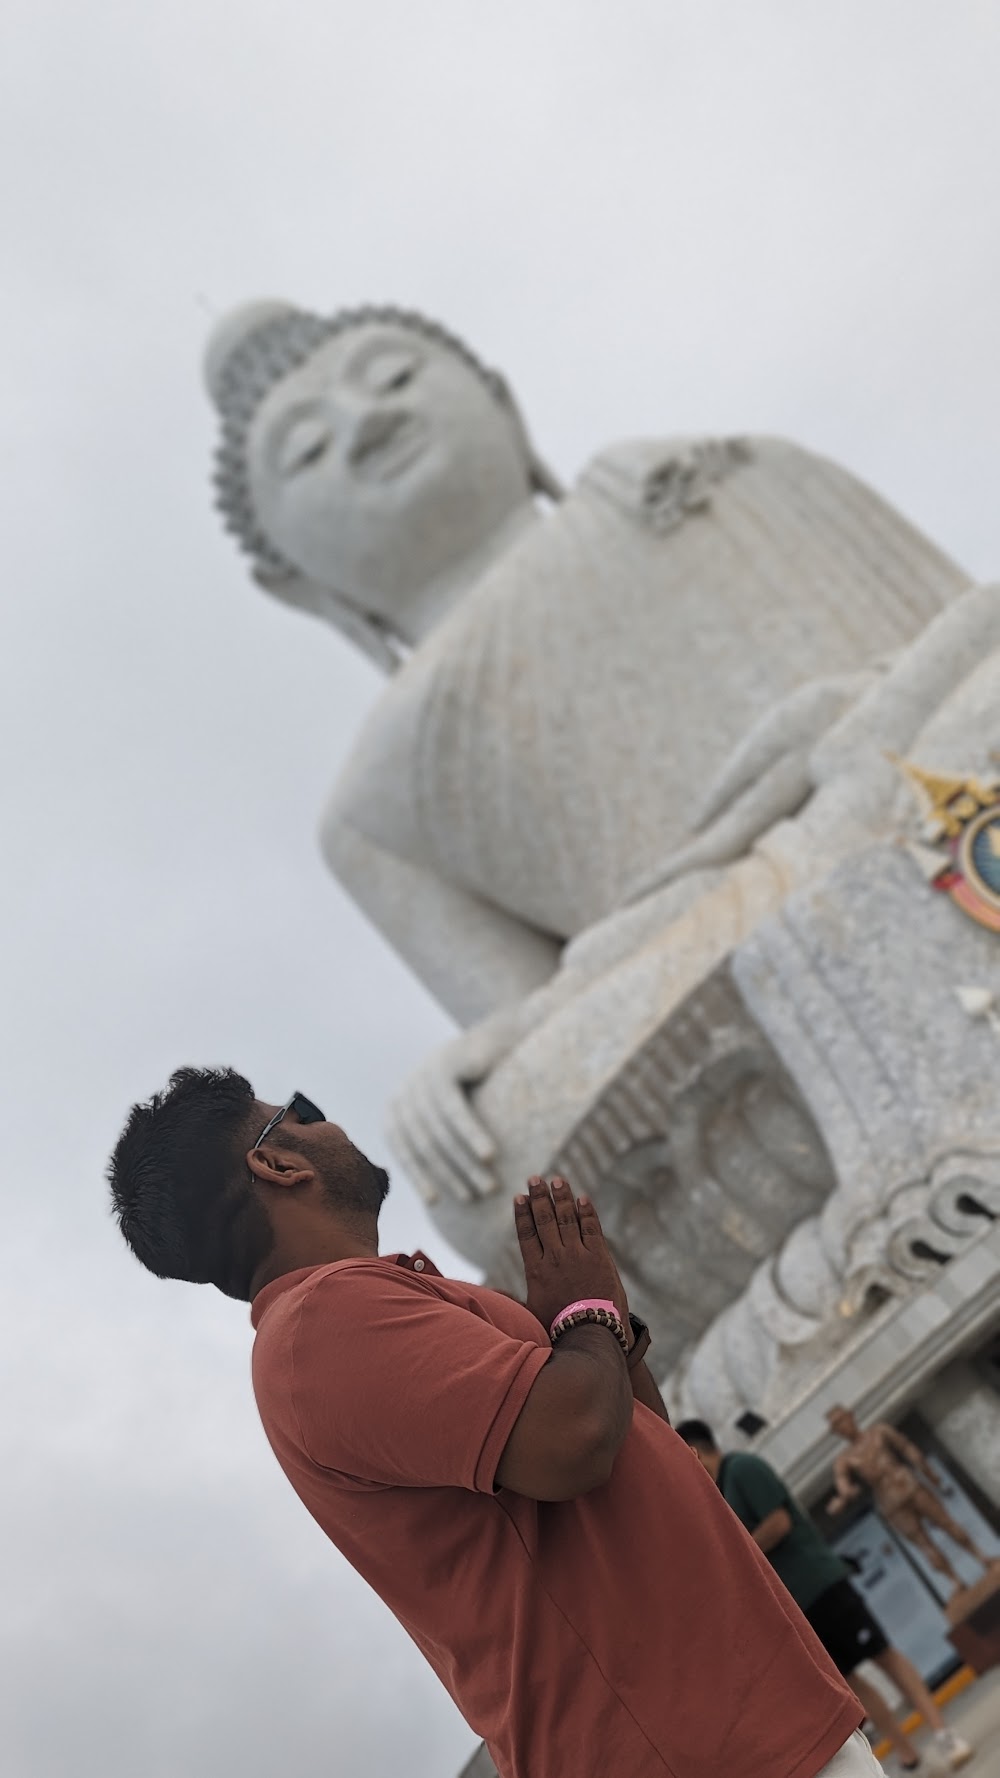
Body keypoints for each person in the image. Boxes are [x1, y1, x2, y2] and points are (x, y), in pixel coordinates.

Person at [109, 1065, 881, 1778]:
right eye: (300, 1116)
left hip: (743, 1717)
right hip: (691, 1745)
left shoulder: (369, 1308)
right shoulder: (324, 1325)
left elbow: (637, 1441)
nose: (326, 1125)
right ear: (279, 1165)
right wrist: (584, 1311)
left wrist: (599, 1317)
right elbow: (572, 1441)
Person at [675, 1421, 973, 1772]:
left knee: (883, 1657)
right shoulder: (720, 1491)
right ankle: (906, 1754)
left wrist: (738, 1554)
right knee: (851, 1683)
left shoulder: (742, 1468)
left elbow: (779, 1521)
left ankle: (943, 1733)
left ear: (694, 1450)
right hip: (796, 1607)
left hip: (822, 1584)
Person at [826, 1405, 993, 1594]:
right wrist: (845, 1494)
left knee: (946, 1522)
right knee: (923, 1543)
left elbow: (906, 1448)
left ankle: (981, 1556)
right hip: (889, 1501)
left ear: (851, 1416)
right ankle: (954, 1580)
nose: (843, 1426)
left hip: (908, 1485)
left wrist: (929, 1474)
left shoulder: (879, 1431)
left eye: (843, 1420)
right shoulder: (844, 1459)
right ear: (835, 1433)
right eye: (837, 1426)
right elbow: (843, 1484)